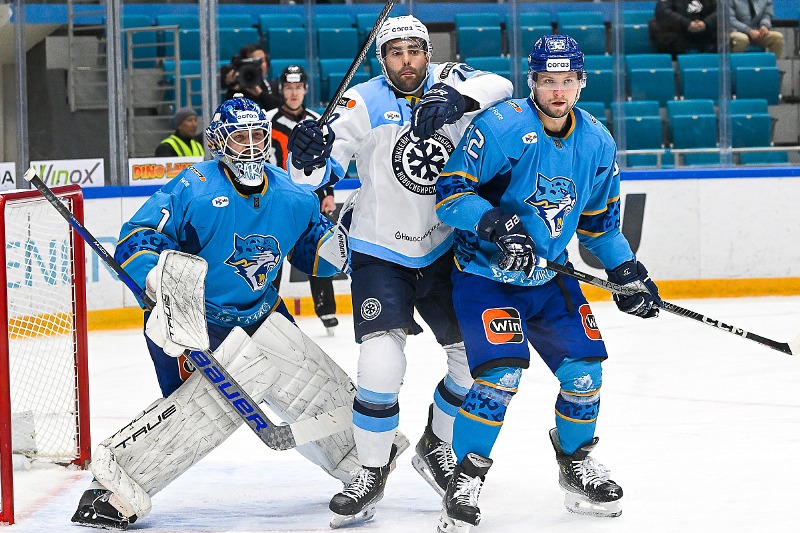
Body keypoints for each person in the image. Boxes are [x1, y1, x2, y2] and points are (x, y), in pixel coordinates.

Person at [70, 95, 370, 530]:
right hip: (194, 321)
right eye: (239, 137)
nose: (250, 146)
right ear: (218, 143)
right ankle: (113, 490)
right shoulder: (195, 188)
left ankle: (360, 462)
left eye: (257, 136)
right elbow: (137, 236)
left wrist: (345, 245)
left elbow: (312, 250)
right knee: (197, 412)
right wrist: (156, 281)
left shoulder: (292, 193)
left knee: (314, 389)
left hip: (262, 314)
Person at [286, 14, 513, 527]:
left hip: (446, 247)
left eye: (415, 50)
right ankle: (371, 470)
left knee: (470, 360)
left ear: (428, 53)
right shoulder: (362, 100)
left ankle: (436, 445)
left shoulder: (452, 81)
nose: (406, 61)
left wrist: (458, 100)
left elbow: (502, 86)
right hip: (379, 250)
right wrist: (305, 156)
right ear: (381, 59)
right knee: (380, 364)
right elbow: (311, 176)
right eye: (395, 52)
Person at [433, 34, 662, 531]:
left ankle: (575, 463)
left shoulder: (597, 141)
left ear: (581, 83)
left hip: (549, 279)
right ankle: (465, 479)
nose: (558, 91)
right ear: (532, 82)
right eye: (548, 80)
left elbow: (600, 227)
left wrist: (627, 272)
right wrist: (496, 223)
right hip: (486, 277)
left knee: (585, 374)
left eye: (567, 81)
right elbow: (449, 195)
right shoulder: (501, 127)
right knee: (500, 378)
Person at [266, 65, 340, 335]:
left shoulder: (318, 120)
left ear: (306, 89)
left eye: (298, 87)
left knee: (316, 250)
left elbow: (327, 162)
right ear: (281, 90)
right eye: (288, 88)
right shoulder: (267, 120)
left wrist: (328, 194)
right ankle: (266, 311)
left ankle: (326, 309)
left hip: (308, 200)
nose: (294, 93)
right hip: (274, 201)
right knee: (270, 257)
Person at [221, 44, 281, 112]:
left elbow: (281, 111)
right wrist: (233, 89)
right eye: (255, 62)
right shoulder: (236, 88)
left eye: (262, 61)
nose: (260, 65)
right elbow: (229, 112)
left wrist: (260, 94)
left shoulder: (275, 87)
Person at [648, 0, 718, 57]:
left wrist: (706, 23)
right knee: (656, 26)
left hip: (706, 31)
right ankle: (673, 62)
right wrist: (686, 23)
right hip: (679, 32)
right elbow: (663, 11)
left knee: (721, 28)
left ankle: (715, 61)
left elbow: (720, 10)